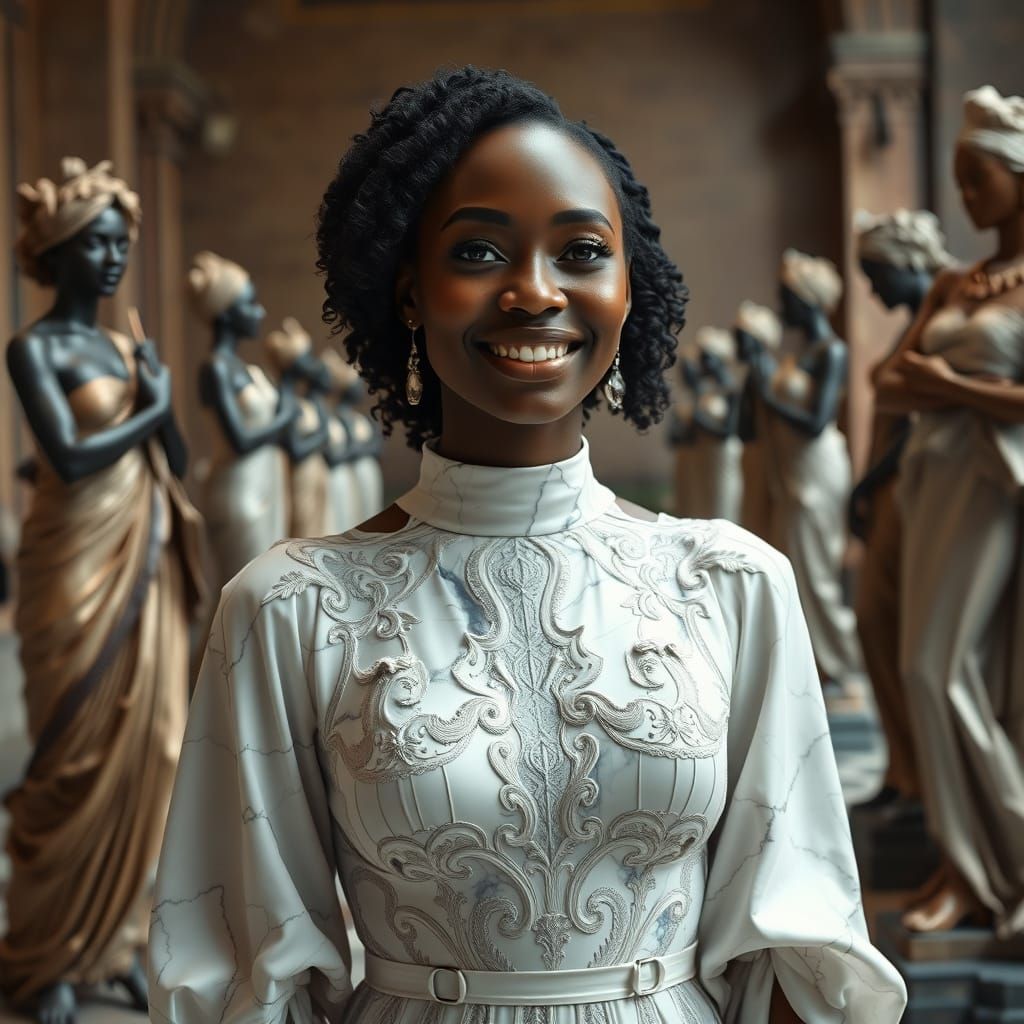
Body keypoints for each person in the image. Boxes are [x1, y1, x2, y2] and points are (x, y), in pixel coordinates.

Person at [148, 67, 906, 1023]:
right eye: (478, 251)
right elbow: (242, 971)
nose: (535, 293)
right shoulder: (292, 606)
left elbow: (796, 947)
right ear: (410, 291)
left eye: (582, 251)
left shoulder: (732, 584)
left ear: (629, 292)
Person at [1, 157, 204, 1024]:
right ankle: (46, 955)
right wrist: (151, 407)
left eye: (123, 242)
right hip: (72, 567)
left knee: (153, 747)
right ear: (59, 253)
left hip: (143, 561)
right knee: (71, 756)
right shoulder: (34, 347)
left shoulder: (128, 348)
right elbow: (73, 455)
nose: (117, 258)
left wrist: (162, 404)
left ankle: (113, 943)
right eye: (98, 244)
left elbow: (180, 465)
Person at [875, 85, 1024, 936]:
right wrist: (956, 389)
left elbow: (926, 382)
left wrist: (954, 388)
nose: (965, 196)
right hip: (929, 479)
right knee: (920, 664)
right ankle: (959, 864)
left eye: (979, 178)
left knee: (943, 670)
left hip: (992, 482)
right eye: (960, 179)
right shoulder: (953, 281)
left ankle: (996, 856)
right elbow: (887, 379)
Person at [851, 209, 954, 810]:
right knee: (876, 622)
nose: (872, 288)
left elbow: (923, 422)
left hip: (921, 493)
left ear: (908, 264)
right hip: (892, 491)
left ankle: (925, 776)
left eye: (877, 273)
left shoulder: (946, 319)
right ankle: (903, 766)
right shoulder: (917, 323)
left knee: (909, 632)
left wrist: (870, 481)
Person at [758, 250, 863, 689]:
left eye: (788, 296)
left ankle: (842, 665)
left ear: (808, 299)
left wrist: (769, 397)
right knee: (796, 568)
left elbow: (816, 422)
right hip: (793, 471)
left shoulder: (831, 352)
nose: (782, 306)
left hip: (817, 470)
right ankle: (814, 668)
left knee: (817, 574)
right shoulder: (799, 353)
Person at [190, 251, 296, 593]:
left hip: (263, 484)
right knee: (244, 593)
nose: (260, 312)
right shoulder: (215, 368)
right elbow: (240, 440)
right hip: (239, 493)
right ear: (226, 311)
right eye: (250, 303)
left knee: (267, 588)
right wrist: (283, 418)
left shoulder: (244, 369)